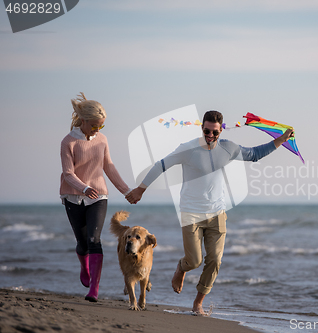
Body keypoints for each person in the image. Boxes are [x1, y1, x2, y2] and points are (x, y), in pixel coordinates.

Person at [126, 110, 293, 315]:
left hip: (217, 213)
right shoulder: (188, 149)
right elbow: (161, 165)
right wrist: (141, 189)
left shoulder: (228, 148)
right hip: (191, 214)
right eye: (207, 131)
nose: (210, 136)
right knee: (194, 261)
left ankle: (198, 303)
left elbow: (255, 155)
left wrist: (281, 140)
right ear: (202, 128)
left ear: (221, 130)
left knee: (214, 260)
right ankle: (182, 267)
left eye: (215, 132)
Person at [60, 92, 131, 302]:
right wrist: (83, 188)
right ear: (83, 120)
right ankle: (85, 267)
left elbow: (108, 166)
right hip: (73, 196)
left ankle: (94, 289)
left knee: (94, 239)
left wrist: (126, 191)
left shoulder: (102, 139)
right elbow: (68, 173)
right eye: (94, 125)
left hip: (98, 196)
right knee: (82, 243)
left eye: (101, 126)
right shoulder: (68, 142)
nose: (97, 130)